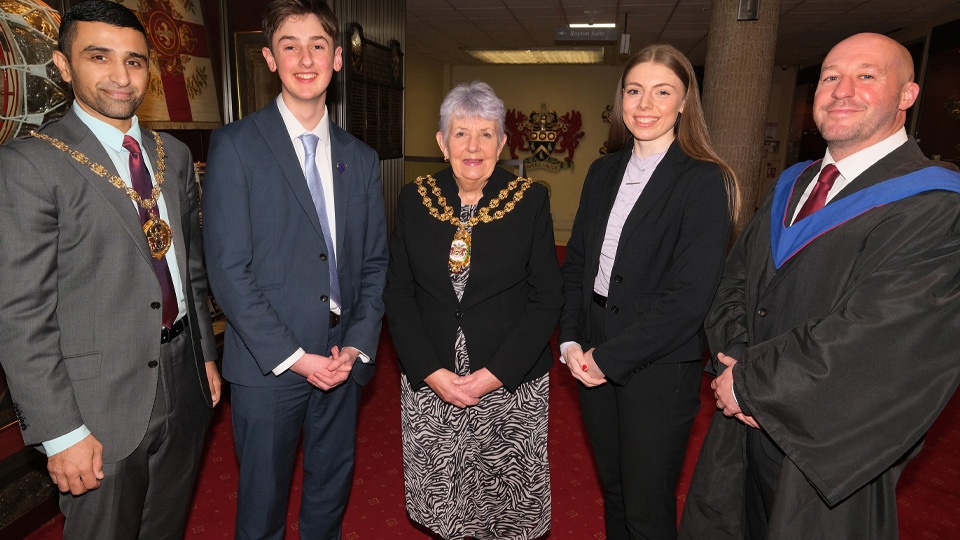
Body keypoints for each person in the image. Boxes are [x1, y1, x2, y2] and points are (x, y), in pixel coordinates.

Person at [679, 33, 960, 540]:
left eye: (866, 76)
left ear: (907, 96)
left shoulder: (935, 207)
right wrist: (733, 360)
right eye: (830, 76)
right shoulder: (791, 183)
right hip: (741, 427)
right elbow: (734, 282)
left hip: (824, 446)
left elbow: (881, 339)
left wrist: (751, 384)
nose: (841, 90)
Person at [0, 1, 222, 538]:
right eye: (99, 57)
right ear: (63, 64)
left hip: (184, 379)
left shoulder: (169, 155)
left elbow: (190, 271)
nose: (121, 76)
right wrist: (60, 433)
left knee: (165, 527)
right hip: (97, 406)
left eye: (135, 61)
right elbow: (20, 312)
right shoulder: (32, 163)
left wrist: (205, 359)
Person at [201, 0, 388, 538]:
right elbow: (229, 271)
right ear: (268, 58)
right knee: (261, 508)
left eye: (318, 46)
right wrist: (296, 358)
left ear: (337, 60)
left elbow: (375, 264)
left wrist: (355, 344)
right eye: (290, 46)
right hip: (271, 365)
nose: (304, 58)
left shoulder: (363, 158)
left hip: (342, 358)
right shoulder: (236, 146)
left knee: (330, 493)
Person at [559, 44, 738, 540]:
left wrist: (607, 358)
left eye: (663, 92)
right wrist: (571, 340)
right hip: (590, 348)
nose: (645, 104)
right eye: (634, 90)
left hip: (656, 365)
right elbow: (577, 264)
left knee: (646, 502)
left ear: (685, 103)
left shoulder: (704, 180)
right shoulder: (602, 172)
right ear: (620, 99)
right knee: (614, 490)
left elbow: (688, 300)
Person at [383, 81, 563, 540]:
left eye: (486, 134)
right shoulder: (413, 199)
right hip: (433, 378)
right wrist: (428, 370)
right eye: (461, 133)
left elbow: (547, 298)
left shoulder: (530, 201)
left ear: (503, 144)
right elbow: (398, 293)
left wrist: (494, 374)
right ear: (442, 143)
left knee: (504, 506)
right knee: (445, 504)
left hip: (510, 380)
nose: (473, 146)